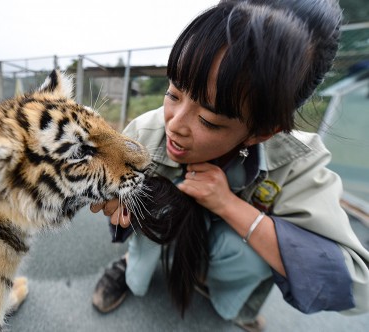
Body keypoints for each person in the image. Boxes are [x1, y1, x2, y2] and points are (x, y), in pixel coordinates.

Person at [89, 0, 369, 331]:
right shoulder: (146, 131)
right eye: (173, 94)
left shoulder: (298, 163)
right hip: (167, 233)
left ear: (262, 132)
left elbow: (355, 287)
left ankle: (225, 295)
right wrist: (118, 201)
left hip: (227, 245)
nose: (175, 125)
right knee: (152, 209)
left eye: (208, 119)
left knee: (247, 252)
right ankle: (128, 265)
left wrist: (229, 205)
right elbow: (105, 199)